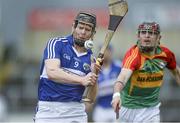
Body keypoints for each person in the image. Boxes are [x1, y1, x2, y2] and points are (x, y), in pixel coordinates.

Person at [34, 11, 99, 123]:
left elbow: (91, 99)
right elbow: (52, 72)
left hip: (75, 112)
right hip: (49, 110)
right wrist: (81, 80)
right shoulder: (56, 43)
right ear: (73, 27)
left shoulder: (91, 59)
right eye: (80, 27)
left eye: (87, 30)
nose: (83, 32)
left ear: (93, 33)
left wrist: (95, 75)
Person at [111, 22, 180, 122]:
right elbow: (122, 78)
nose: (147, 35)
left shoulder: (166, 54)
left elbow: (176, 72)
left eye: (151, 33)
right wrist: (116, 95)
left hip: (151, 109)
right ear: (138, 36)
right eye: (143, 32)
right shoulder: (134, 56)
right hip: (127, 108)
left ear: (158, 38)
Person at [92, 45, 121, 122]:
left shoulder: (118, 66)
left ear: (111, 52)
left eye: (107, 51)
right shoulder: (95, 69)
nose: (105, 54)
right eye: (103, 52)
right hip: (101, 108)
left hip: (116, 108)